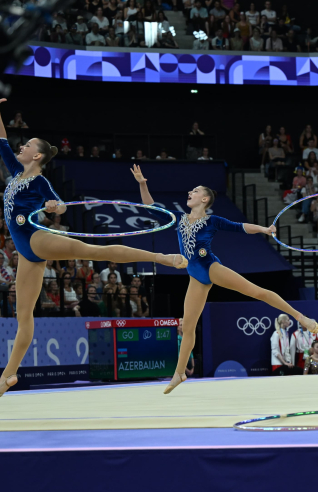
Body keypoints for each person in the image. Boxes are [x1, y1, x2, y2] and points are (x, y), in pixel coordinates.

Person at [0, 105, 189, 396]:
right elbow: (1, 141)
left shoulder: (39, 181)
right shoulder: (15, 171)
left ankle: (159, 257)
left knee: (94, 251)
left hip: (34, 238)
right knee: (23, 316)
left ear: (36, 155)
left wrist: (54, 207)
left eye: (25, 145)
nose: (20, 147)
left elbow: (60, 205)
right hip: (26, 254)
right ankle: (8, 376)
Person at [131, 165, 317, 394]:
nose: (190, 192)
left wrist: (264, 229)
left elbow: (240, 227)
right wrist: (142, 183)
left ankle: (301, 317)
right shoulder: (179, 219)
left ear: (205, 199)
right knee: (187, 326)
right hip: (195, 276)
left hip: (210, 267)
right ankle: (179, 373)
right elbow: (151, 208)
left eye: (195, 190)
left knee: (257, 292)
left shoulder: (212, 221)